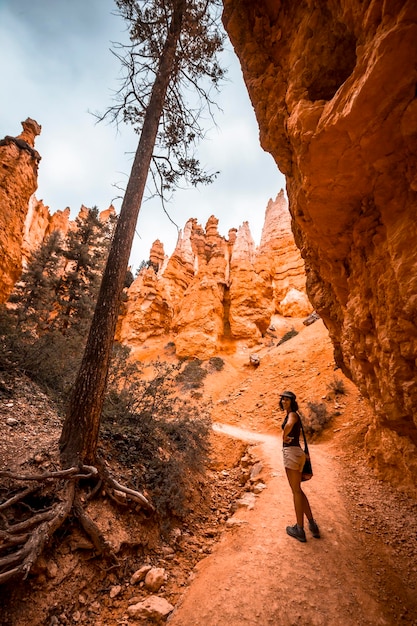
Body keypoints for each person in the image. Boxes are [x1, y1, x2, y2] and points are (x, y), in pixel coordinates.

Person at [280, 390, 320, 542]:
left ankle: (299, 529)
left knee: (295, 491)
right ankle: (312, 525)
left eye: (287, 400)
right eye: (283, 399)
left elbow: (289, 424)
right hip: (297, 453)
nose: (284, 402)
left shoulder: (292, 414)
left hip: (291, 453)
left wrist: (284, 435)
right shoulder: (292, 414)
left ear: (292, 402)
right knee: (299, 490)